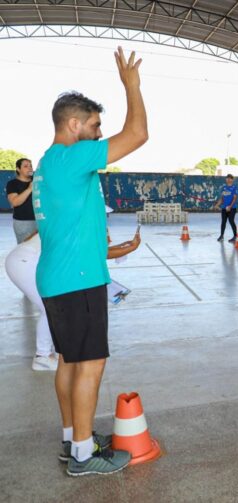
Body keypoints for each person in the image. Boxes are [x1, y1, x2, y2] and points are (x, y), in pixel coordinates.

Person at [32, 47, 148, 476]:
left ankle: (72, 437)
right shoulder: (73, 156)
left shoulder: (49, 163)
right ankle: (83, 454)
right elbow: (136, 135)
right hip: (77, 280)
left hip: (59, 276)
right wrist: (131, 87)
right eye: (95, 126)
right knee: (91, 364)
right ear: (74, 124)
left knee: (69, 361)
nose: (100, 134)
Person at [6, 226, 142, 372]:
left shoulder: (68, 221)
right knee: (50, 309)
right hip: (26, 262)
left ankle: (50, 353)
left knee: (53, 308)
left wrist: (122, 246)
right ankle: (42, 356)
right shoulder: (80, 227)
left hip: (22, 259)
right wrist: (130, 248)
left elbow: (94, 251)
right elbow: (96, 253)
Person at [6, 157, 37, 243]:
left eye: (31, 165)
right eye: (26, 166)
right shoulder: (12, 184)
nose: (30, 168)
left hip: (40, 221)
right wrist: (29, 189)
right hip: (24, 223)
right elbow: (14, 202)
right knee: (26, 251)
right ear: (18, 169)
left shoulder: (37, 181)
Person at [213, 174, 238, 242]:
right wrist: (217, 205)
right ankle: (221, 236)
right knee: (223, 222)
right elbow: (222, 199)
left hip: (232, 208)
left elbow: (235, 198)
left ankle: (235, 236)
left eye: (230, 178)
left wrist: (230, 206)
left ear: (232, 180)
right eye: (227, 178)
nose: (228, 180)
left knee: (231, 221)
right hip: (224, 208)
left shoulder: (234, 187)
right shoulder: (223, 188)